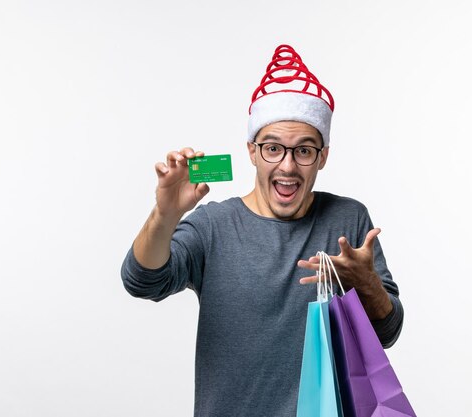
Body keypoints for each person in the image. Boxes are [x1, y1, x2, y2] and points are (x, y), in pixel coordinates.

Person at [121, 44, 405, 417]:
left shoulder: (347, 220)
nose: (287, 167)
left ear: (323, 156)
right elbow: (142, 281)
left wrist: (365, 283)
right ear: (252, 152)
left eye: (304, 151)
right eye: (273, 148)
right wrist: (165, 214)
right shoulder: (213, 226)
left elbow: (387, 333)